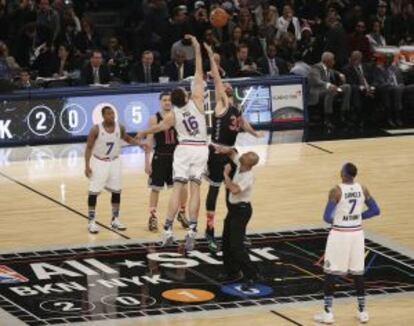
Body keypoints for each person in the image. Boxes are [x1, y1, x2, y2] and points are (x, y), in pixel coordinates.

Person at [136, 35, 207, 252]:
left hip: (183, 149)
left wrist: (142, 132)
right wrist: (196, 47)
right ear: (186, 96)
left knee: (177, 189)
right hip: (201, 148)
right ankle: (192, 231)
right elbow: (198, 71)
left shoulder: (172, 115)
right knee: (195, 191)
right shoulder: (197, 101)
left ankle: (167, 230)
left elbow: (157, 129)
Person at [204, 43, 262, 252]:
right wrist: (211, 56)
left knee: (235, 193)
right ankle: (209, 232)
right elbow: (218, 80)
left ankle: (235, 230)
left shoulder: (235, 108)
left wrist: (255, 133)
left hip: (231, 152)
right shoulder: (222, 104)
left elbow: (243, 122)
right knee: (214, 192)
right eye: (224, 85)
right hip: (216, 151)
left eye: (228, 85)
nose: (226, 85)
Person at [314, 162, 380, 324]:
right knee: (358, 273)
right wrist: (358, 218)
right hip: (357, 234)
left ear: (343, 173)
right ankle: (362, 312)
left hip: (340, 234)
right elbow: (375, 210)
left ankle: (328, 313)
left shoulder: (336, 191)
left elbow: (327, 217)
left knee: (331, 272)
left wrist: (340, 221)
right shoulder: (362, 189)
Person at [84, 106, 143, 234]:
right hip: (99, 162)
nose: (112, 115)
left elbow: (126, 138)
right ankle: (91, 221)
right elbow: (88, 147)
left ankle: (115, 219)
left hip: (115, 162)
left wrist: (139, 143)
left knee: (116, 191)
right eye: (109, 114)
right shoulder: (95, 129)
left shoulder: (119, 127)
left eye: (113, 113)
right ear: (103, 116)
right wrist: (87, 165)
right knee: (93, 192)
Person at [213, 145, 260, 288]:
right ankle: (232, 272)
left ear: (249, 163)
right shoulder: (240, 163)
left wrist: (226, 175)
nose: (243, 154)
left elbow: (233, 190)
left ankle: (251, 275)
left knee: (237, 246)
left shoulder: (248, 176)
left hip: (242, 211)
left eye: (246, 155)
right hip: (233, 210)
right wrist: (221, 149)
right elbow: (232, 152)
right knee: (226, 242)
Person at [144, 91, 189, 232]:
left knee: (182, 187)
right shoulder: (154, 118)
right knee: (155, 189)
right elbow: (149, 140)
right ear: (160, 102)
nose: (167, 102)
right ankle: (152, 217)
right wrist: (146, 161)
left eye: (169, 100)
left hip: (177, 157)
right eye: (164, 100)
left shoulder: (178, 116)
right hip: (160, 156)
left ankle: (182, 213)